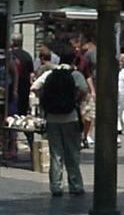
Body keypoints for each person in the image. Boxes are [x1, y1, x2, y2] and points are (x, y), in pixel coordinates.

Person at [31, 49, 88, 197]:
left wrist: (46, 102)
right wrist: (75, 100)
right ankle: (75, 185)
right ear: (73, 61)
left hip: (52, 118)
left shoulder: (50, 74)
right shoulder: (75, 75)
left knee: (55, 154)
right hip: (71, 117)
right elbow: (84, 89)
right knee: (72, 153)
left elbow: (34, 87)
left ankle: (56, 186)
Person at [80, 36, 97, 148]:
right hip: (96, 85)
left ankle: (87, 135)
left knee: (87, 112)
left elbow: (86, 73)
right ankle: (87, 135)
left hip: (90, 86)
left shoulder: (88, 54)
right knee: (91, 112)